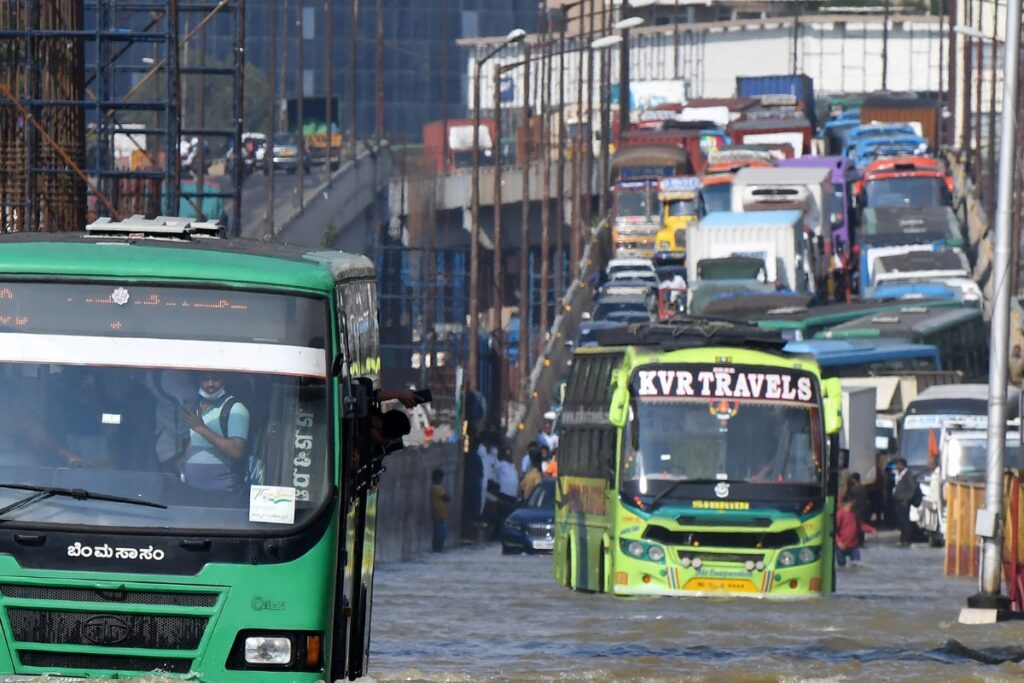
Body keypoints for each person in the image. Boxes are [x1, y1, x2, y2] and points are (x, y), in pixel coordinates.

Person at [181, 372, 250, 492]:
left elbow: (237, 451)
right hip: (192, 491)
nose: (210, 384)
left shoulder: (236, 409)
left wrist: (202, 428)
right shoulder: (197, 408)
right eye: (205, 379)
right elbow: (195, 440)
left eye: (216, 379)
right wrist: (183, 462)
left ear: (225, 380)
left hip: (220, 494)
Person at [835, 494, 876, 567]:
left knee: (857, 566)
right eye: (854, 501)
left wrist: (871, 529)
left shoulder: (854, 514)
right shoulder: (840, 514)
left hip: (854, 546)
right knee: (841, 567)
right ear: (850, 502)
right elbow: (834, 530)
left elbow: (860, 525)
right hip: (841, 546)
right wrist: (839, 542)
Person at [892, 458, 918, 547]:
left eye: (898, 465)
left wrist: (907, 498)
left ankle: (906, 539)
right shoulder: (900, 474)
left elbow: (913, 487)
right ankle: (902, 539)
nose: (897, 467)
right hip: (898, 500)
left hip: (904, 501)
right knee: (901, 521)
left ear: (902, 465)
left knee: (905, 521)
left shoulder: (908, 474)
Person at [430, 468, 450, 552]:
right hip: (439, 513)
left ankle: (438, 549)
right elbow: (446, 498)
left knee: (440, 532)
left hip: (440, 513)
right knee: (441, 533)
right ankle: (438, 549)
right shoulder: (436, 488)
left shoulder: (435, 487)